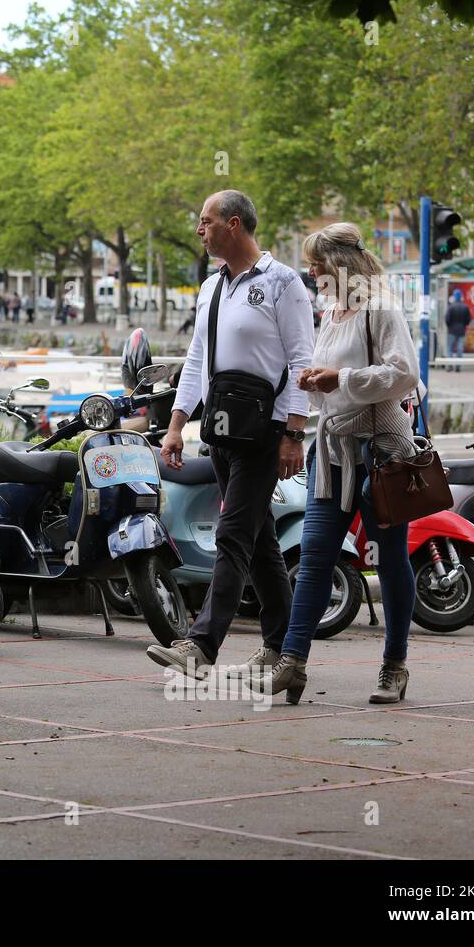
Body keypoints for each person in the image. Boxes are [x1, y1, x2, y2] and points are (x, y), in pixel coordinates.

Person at [147, 190, 313, 679]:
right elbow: (197, 361)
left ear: (234, 225)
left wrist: (293, 434)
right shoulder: (212, 285)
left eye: (206, 221)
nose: (200, 229)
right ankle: (283, 648)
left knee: (233, 535)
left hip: (264, 432)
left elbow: (302, 361)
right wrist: (177, 425)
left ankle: (200, 646)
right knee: (259, 542)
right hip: (221, 429)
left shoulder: (284, 285)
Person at [252, 222, 419, 705]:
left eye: (317, 263)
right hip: (333, 454)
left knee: (389, 560)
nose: (311, 271)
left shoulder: (382, 309)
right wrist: (314, 383)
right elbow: (336, 382)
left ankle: (394, 664)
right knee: (315, 557)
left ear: (341, 265)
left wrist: (338, 378)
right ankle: (292, 664)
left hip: (382, 453)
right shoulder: (331, 312)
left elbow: (404, 373)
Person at [445, 290, 471, 372]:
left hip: (452, 331)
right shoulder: (465, 307)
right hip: (461, 331)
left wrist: (450, 326)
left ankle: (450, 366)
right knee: (460, 349)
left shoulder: (451, 307)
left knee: (450, 348)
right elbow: (468, 320)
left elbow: (447, 319)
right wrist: (463, 325)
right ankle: (458, 366)